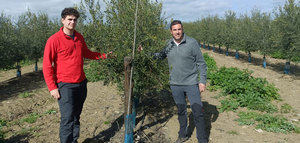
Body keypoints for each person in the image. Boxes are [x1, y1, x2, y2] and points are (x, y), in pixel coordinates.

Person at [43, 8, 110, 143]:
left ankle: (74, 140)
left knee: (76, 117)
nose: (72, 22)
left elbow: (87, 53)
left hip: (81, 83)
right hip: (65, 85)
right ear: (63, 20)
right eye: (69, 19)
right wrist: (52, 87)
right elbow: (46, 65)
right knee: (67, 118)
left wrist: (104, 56)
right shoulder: (54, 40)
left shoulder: (79, 37)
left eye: (74, 20)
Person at [152, 20, 208, 143]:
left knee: (197, 112)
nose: (177, 32)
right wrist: (145, 53)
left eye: (179, 29)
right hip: (175, 84)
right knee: (181, 111)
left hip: (191, 83)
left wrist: (202, 81)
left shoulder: (192, 43)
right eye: (175, 30)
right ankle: (182, 135)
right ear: (171, 31)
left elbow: (201, 63)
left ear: (182, 29)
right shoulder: (168, 44)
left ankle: (202, 139)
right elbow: (160, 56)